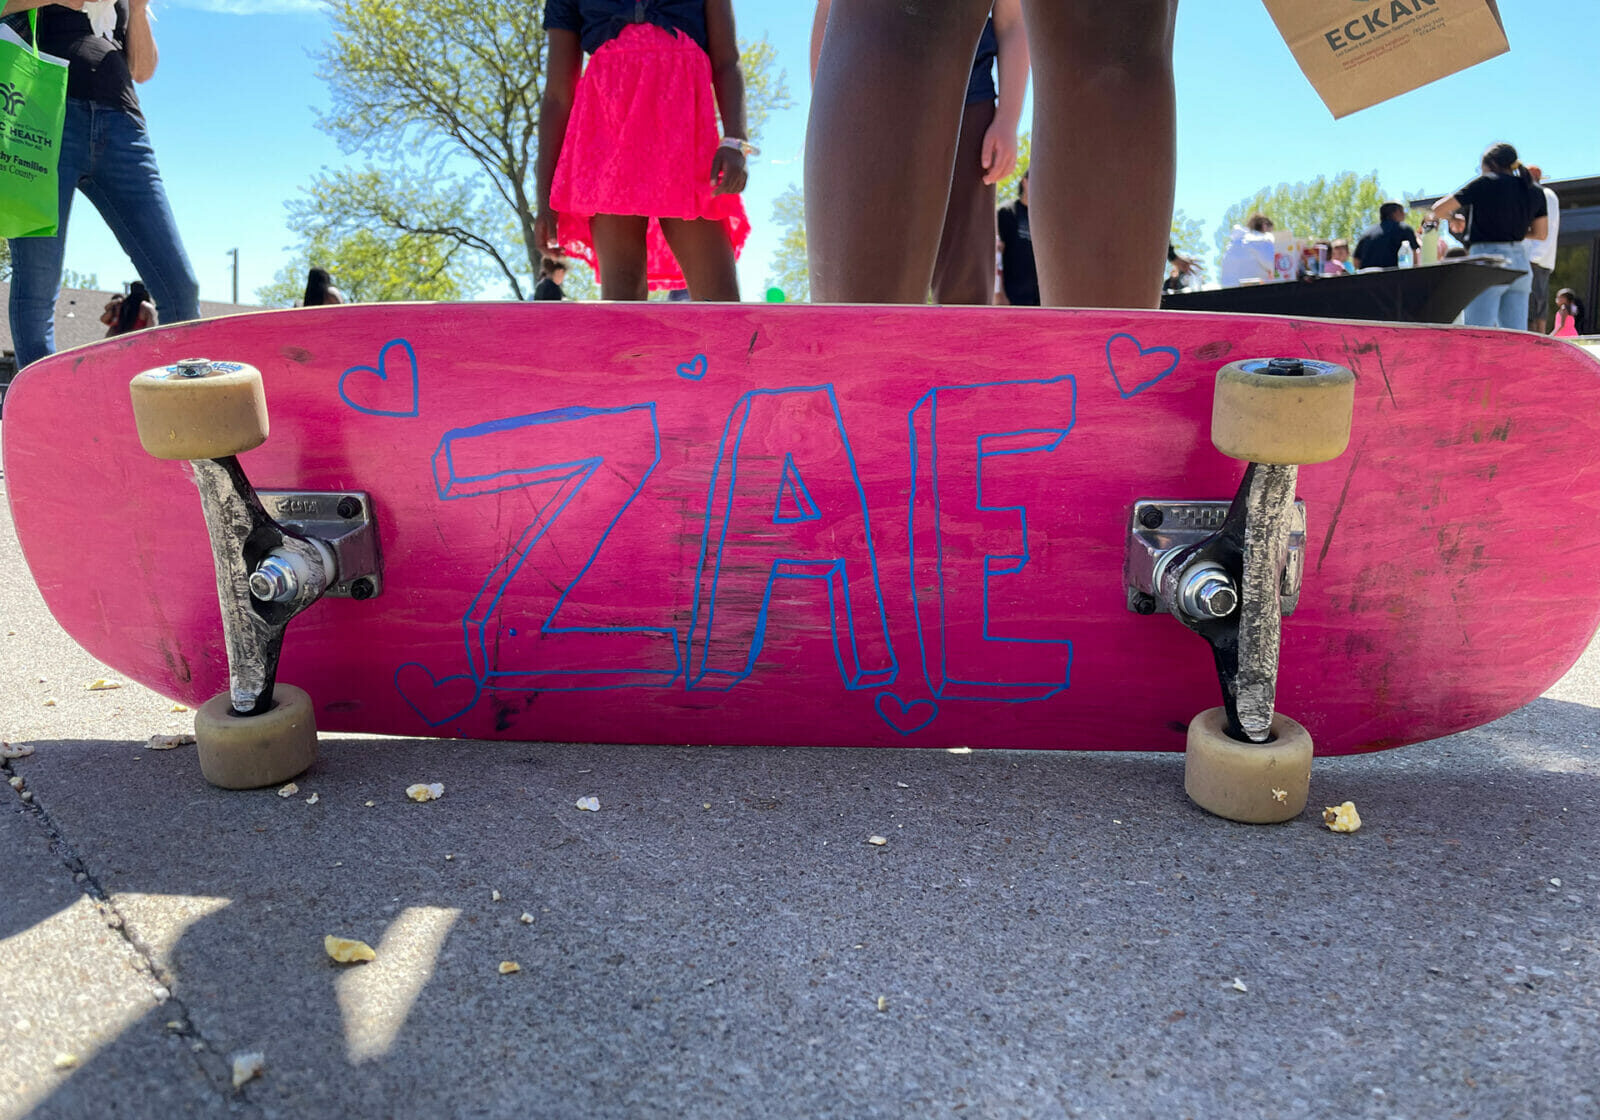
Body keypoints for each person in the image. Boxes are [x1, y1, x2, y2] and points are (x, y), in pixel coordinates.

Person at [806, 0, 1180, 308]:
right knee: (902, 14)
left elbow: (1011, 22)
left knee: (1111, 28)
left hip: (977, 105)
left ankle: (1100, 379)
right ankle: (856, 378)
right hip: (893, 95)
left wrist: (1007, 117)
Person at [2, 0, 199, 370]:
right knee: (37, 288)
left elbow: (142, 69)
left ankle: (184, 406)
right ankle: (44, 416)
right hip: (43, 118)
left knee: (180, 288)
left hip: (124, 127)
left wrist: (138, 9)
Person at [812, 1, 1028, 306]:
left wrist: (1007, 119)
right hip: (868, 100)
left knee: (965, 272)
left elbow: (1012, 22)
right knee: (863, 275)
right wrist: (827, 117)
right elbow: (828, 16)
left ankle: (961, 352)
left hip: (969, 103)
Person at [535, 0, 750, 301]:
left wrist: (735, 140)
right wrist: (545, 197)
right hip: (606, 142)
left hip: (685, 138)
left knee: (719, 302)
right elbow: (557, 95)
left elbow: (727, 61)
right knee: (623, 297)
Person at [1430, 142, 1548, 330]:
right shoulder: (1534, 190)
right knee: (1516, 336)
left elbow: (1439, 209)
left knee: (1478, 331)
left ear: (1490, 164)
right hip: (1520, 262)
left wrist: (1455, 218)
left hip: (1487, 261)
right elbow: (1541, 234)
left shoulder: (1485, 183)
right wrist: (1512, 227)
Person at [1523, 166, 1560, 332]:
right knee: (1538, 305)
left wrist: (1533, 256)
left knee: (1533, 306)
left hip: (1535, 258)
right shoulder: (1546, 195)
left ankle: (1535, 344)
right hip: (1540, 258)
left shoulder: (1543, 195)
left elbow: (1546, 228)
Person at [996, 169, 1038, 305]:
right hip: (1011, 298)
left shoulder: (1044, 219)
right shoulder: (1006, 212)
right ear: (1024, 182)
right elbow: (996, 255)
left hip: (1041, 300)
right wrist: (999, 293)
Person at [1351, 202, 1420, 271]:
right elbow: (1415, 256)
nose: (1404, 214)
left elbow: (1356, 262)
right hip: (1395, 277)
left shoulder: (1366, 233)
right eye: (1402, 211)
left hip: (1367, 279)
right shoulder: (1404, 229)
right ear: (1396, 213)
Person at [1218, 214, 1275, 288]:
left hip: (1228, 294)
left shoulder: (1232, 245)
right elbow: (1272, 264)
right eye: (1270, 230)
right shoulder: (1261, 240)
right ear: (1264, 226)